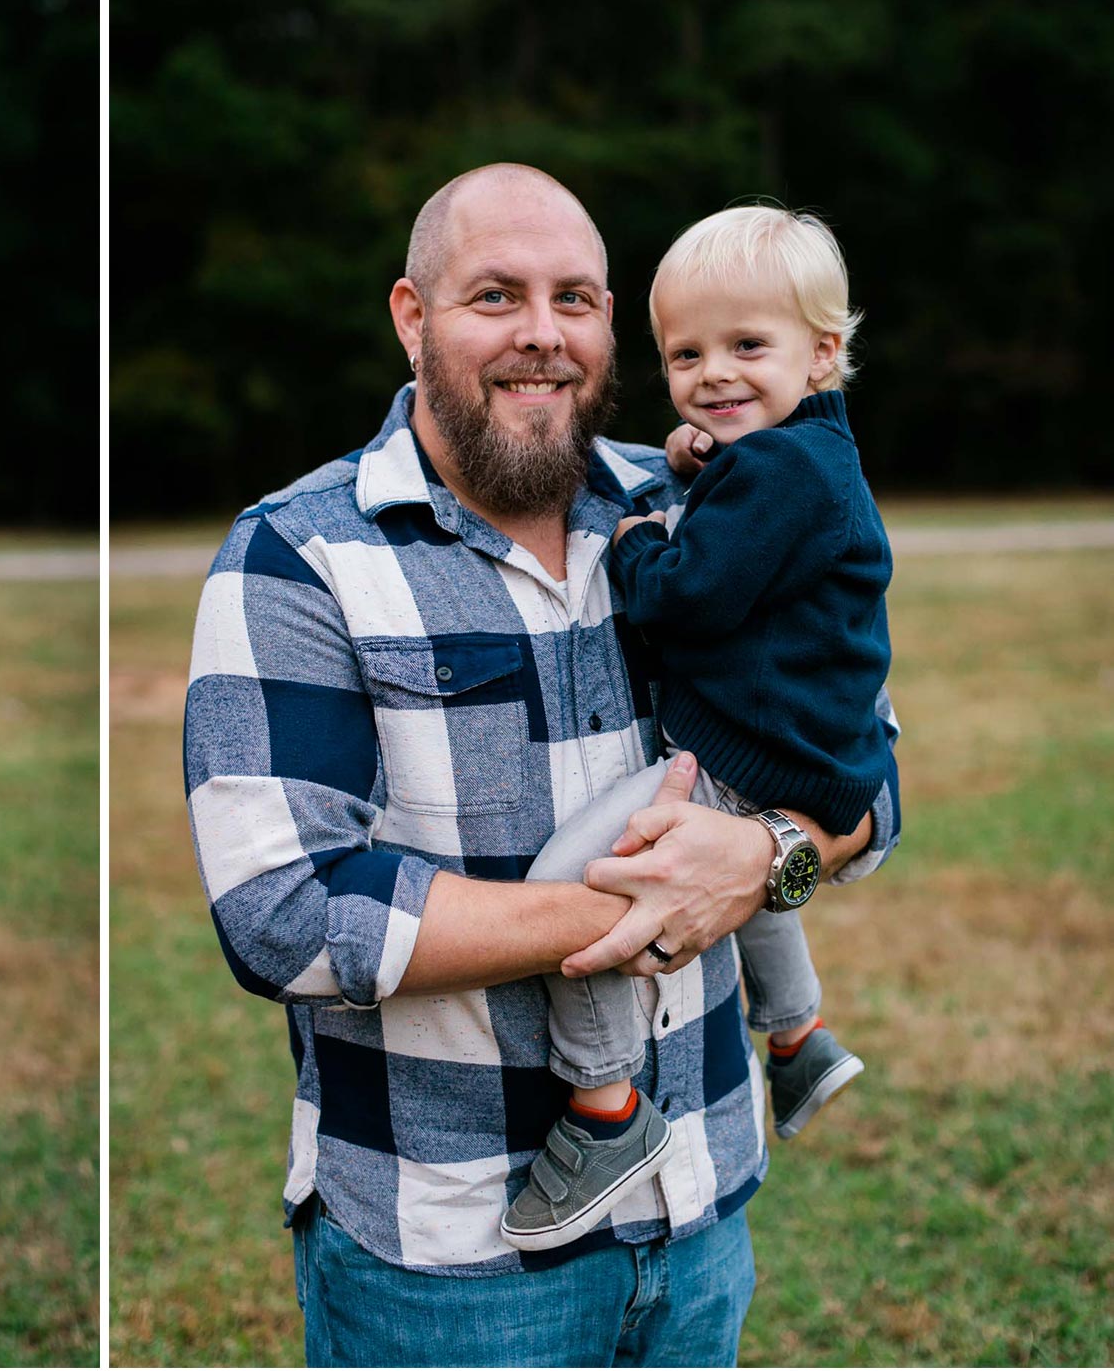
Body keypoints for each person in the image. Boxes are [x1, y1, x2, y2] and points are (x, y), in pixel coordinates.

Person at [181, 164, 900, 1367]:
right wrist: (644, 903)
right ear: (411, 316)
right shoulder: (297, 556)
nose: (541, 335)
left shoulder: (686, 502)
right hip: (449, 1257)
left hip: (700, 1215)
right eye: (495, 297)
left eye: (575, 298)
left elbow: (870, 769)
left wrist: (766, 857)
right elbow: (282, 916)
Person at [499, 204, 889, 1254]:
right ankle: (799, 1035)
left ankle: (605, 1109)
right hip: (812, 755)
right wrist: (695, 453)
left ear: (823, 351)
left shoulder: (770, 473)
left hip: (742, 750)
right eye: (685, 354)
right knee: (748, 874)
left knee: (576, 885)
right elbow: (743, 484)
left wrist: (632, 542)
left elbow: (688, 598)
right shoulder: (808, 450)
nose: (712, 374)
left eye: (744, 347)